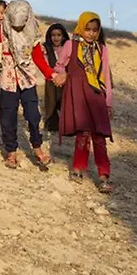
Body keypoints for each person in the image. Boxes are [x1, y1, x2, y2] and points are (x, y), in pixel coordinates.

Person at [0, 0, 53, 169]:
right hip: (8, 81)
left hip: (27, 80)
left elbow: (38, 57)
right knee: (7, 117)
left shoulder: (32, 32)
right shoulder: (4, 30)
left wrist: (50, 74)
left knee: (33, 115)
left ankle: (37, 148)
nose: (18, 29)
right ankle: (11, 152)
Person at [50, 12, 114, 192]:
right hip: (78, 95)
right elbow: (59, 65)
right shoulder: (71, 45)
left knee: (100, 137)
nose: (91, 33)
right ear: (81, 28)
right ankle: (78, 168)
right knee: (83, 134)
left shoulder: (102, 49)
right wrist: (61, 74)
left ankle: (104, 176)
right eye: (88, 29)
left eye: (95, 30)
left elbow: (105, 77)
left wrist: (108, 102)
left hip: (97, 97)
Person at [42, 23, 71, 133]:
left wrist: (64, 76)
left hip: (66, 78)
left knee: (66, 100)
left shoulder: (67, 48)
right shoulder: (46, 48)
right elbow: (45, 64)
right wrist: (54, 76)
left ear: (63, 36)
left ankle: (68, 123)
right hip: (52, 78)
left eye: (59, 35)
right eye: (53, 35)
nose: (56, 38)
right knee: (51, 97)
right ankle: (52, 123)